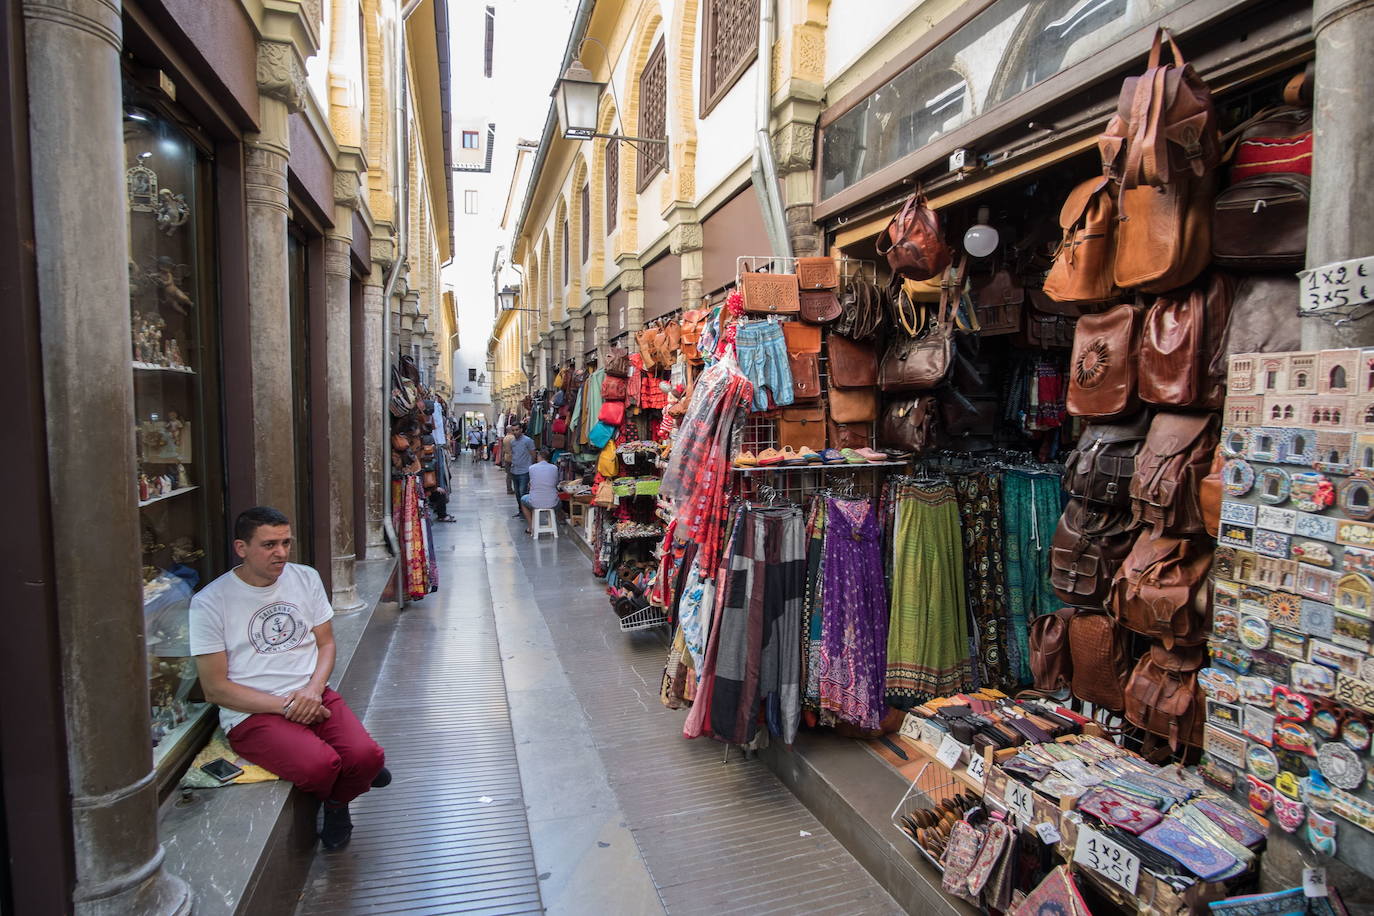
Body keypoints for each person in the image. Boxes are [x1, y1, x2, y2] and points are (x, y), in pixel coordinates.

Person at [190, 507, 389, 851]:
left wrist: (313, 690)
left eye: (285, 542)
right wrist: (287, 706)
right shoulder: (209, 603)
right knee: (320, 766)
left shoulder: (305, 577)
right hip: (253, 712)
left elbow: (326, 644)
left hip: (313, 694)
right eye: (269, 545)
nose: (280, 553)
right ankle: (344, 797)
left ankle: (346, 792)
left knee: (368, 756)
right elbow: (215, 688)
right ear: (241, 548)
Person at [519, 449, 560, 534]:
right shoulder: (554, 468)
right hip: (552, 502)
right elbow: (555, 483)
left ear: (539, 457)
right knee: (559, 501)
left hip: (535, 502)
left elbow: (532, 483)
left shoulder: (532, 468)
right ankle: (553, 522)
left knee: (523, 500)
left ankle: (531, 527)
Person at [507, 423, 536, 517]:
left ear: (521, 430)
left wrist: (531, 467)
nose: (515, 432)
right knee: (517, 493)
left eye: (517, 430)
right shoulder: (512, 442)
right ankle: (521, 510)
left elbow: (533, 454)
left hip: (525, 471)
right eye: (513, 430)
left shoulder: (528, 441)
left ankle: (526, 512)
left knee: (523, 492)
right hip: (514, 470)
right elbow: (513, 454)